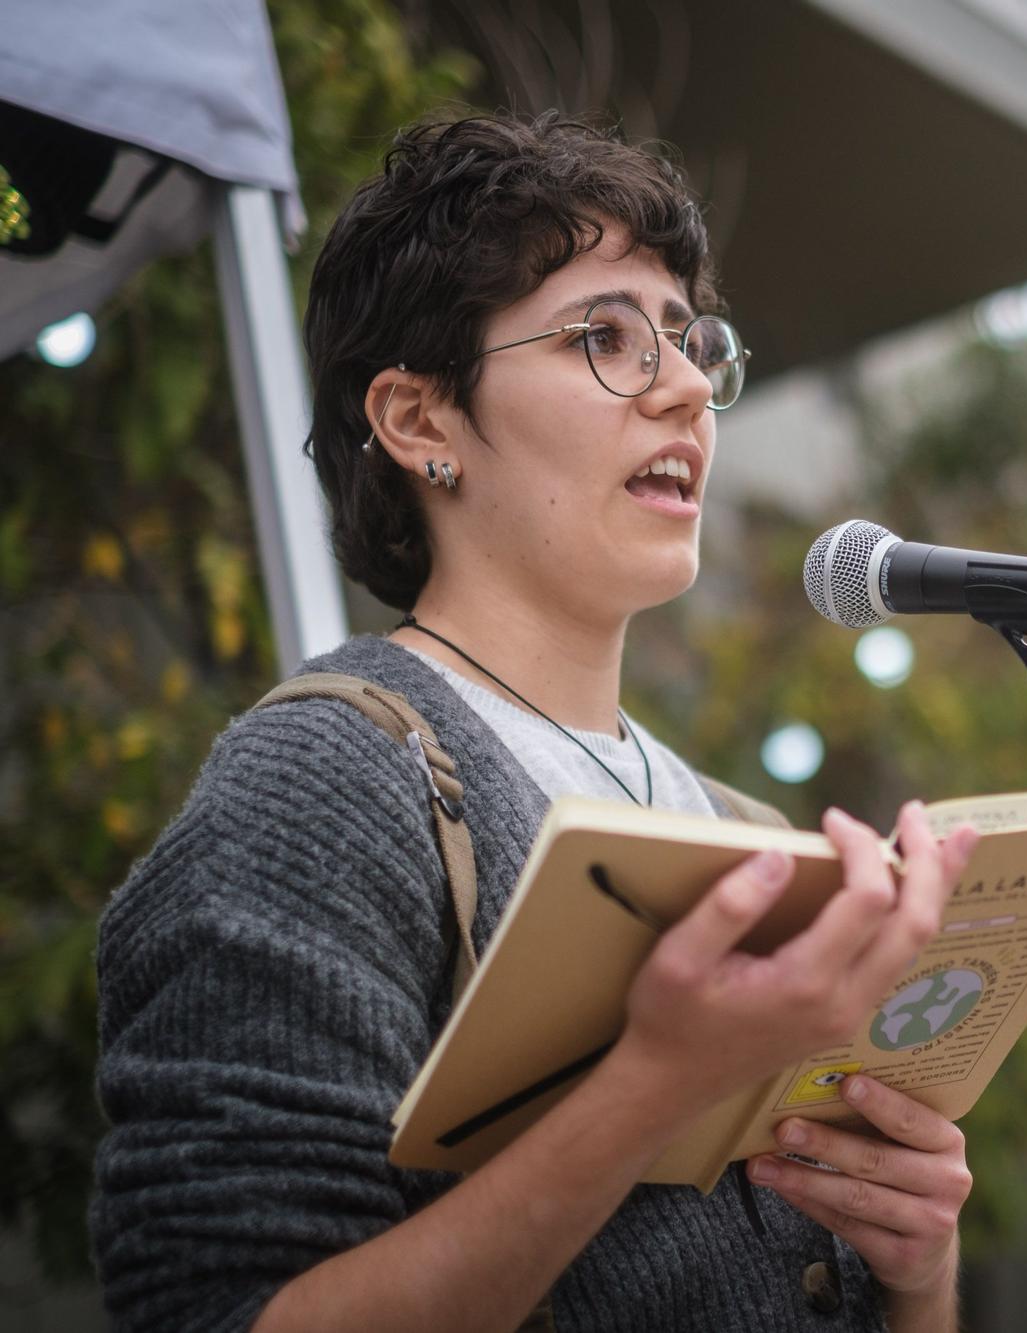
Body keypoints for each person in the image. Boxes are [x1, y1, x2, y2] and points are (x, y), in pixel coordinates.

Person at [90, 111, 980, 1332]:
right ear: (419, 422)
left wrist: (917, 1269)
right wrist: (654, 1084)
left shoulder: (747, 825)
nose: (681, 389)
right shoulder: (328, 780)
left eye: (687, 340)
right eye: (602, 338)